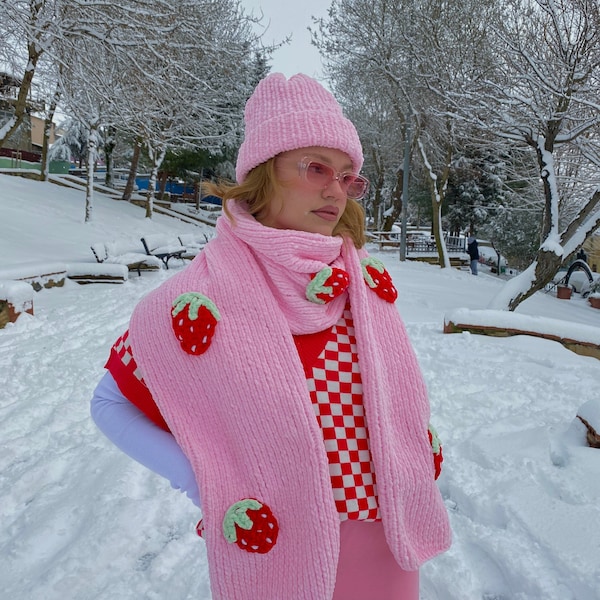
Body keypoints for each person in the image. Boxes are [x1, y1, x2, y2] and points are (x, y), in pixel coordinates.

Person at [91, 73, 451, 600]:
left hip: (386, 539)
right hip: (278, 550)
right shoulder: (196, 302)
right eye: (316, 168)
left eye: (348, 175)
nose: (336, 189)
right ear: (263, 174)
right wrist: (207, 482)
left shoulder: (361, 283)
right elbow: (108, 403)